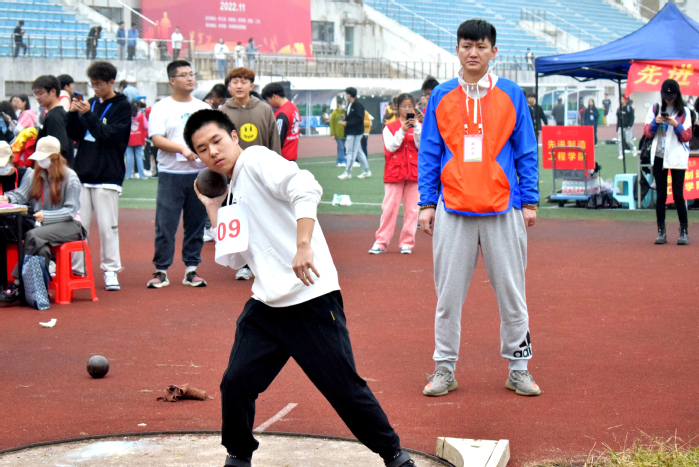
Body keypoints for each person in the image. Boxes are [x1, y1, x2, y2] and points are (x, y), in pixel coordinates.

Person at [183, 109, 418, 467]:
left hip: (310, 297)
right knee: (236, 382)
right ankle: (238, 456)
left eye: (216, 140)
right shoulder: (232, 191)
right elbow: (234, 259)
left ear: (233, 136)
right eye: (202, 149)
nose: (212, 152)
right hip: (267, 305)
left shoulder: (256, 160)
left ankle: (395, 456)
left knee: (343, 388)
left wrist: (304, 244)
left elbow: (305, 186)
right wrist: (214, 206)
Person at [418, 19, 541, 398]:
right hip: (453, 207)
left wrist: (530, 200)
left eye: (481, 46)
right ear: (457, 49)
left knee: (512, 292)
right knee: (447, 296)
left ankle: (519, 369)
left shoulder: (511, 93)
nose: (473, 52)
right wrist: (426, 203)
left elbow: (526, 149)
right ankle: (444, 368)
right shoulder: (441, 95)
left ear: (493, 51)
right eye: (466, 45)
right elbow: (430, 150)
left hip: (504, 207)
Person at [66, 61, 131, 292]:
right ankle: (77, 269)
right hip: (82, 173)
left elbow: (108, 135)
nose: (95, 89)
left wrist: (89, 115)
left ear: (111, 82)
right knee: (78, 226)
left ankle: (111, 270)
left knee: (107, 227)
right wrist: (73, 115)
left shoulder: (122, 106)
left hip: (107, 175)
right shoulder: (91, 103)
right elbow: (75, 135)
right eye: (92, 84)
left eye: (99, 84)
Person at [146, 59, 210, 289]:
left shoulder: (203, 108)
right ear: (172, 80)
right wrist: (182, 149)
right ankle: (161, 270)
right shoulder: (161, 107)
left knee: (196, 224)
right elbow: (157, 139)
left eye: (192, 74)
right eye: (184, 75)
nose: (190, 78)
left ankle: (192, 270)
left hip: (199, 174)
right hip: (170, 174)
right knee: (165, 225)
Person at [0, 136, 84, 300]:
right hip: (44, 227)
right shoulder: (36, 175)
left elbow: (70, 211)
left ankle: (17, 283)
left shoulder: (70, 177)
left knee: (32, 235)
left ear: (55, 157)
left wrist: (47, 216)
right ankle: (39, 291)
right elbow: (21, 195)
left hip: (70, 225)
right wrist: (7, 198)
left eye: (44, 158)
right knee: (41, 248)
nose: (40, 162)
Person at [221, 67, 280, 281]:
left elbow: (274, 142)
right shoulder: (222, 112)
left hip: (261, 175)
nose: (239, 86)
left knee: (265, 219)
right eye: (235, 82)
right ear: (229, 86)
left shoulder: (264, 109)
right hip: (234, 177)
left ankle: (269, 261)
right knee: (241, 220)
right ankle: (245, 264)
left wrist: (275, 171)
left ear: (251, 86)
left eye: (244, 82)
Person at [370, 93, 421, 255]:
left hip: (414, 173)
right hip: (394, 173)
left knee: (412, 210)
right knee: (389, 209)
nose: (407, 109)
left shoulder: (419, 126)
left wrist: (417, 127)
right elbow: (391, 147)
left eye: (410, 106)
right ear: (397, 108)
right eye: (403, 106)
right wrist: (402, 131)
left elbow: (421, 146)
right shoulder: (389, 127)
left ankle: (407, 243)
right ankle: (381, 242)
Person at [644, 79, 693, 246]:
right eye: (666, 96)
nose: (668, 100)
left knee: (678, 194)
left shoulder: (684, 111)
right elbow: (647, 132)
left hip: (677, 157)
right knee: (661, 195)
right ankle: (661, 231)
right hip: (659, 156)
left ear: (677, 95)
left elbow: (686, 136)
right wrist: (655, 122)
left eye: (671, 97)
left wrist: (675, 124)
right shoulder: (655, 108)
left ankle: (684, 230)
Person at [32, 75, 73, 166]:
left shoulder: (54, 116)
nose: (37, 97)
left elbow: (58, 149)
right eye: (36, 94)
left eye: (40, 93)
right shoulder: (57, 113)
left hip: (55, 169)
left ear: (53, 92)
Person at [261, 82, 300, 161]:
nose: (268, 103)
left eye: (268, 99)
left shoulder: (282, 114)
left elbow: (277, 140)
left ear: (274, 96)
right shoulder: (293, 107)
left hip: (282, 158)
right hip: (292, 155)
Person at [338, 87, 371, 180]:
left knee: (350, 152)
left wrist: (347, 123)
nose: (345, 96)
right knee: (359, 152)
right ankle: (366, 171)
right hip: (351, 131)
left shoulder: (358, 105)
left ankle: (347, 172)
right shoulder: (350, 104)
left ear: (349, 95)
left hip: (355, 132)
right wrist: (345, 120)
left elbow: (359, 119)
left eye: (346, 94)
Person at [126, 102, 148, 179]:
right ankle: (141, 175)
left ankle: (128, 175)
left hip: (129, 139)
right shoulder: (141, 116)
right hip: (139, 139)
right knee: (139, 157)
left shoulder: (126, 116)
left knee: (129, 157)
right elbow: (146, 126)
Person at [330, 97, 347, 167]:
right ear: (339, 104)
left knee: (341, 147)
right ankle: (343, 160)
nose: (344, 105)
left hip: (344, 133)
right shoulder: (334, 113)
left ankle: (339, 161)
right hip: (337, 133)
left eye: (344, 104)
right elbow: (332, 124)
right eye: (342, 104)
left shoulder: (346, 112)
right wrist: (332, 134)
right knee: (341, 147)